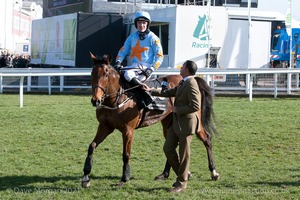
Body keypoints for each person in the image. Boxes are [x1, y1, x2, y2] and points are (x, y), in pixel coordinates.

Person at [145, 60, 201, 193]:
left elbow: (196, 106)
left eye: (182, 67)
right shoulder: (183, 81)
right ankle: (183, 175)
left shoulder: (192, 83)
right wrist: (151, 90)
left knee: (184, 155)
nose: (180, 68)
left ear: (187, 70)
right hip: (177, 124)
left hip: (186, 125)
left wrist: (177, 109)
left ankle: (181, 184)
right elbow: (171, 92)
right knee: (168, 148)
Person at [114, 11, 164, 110]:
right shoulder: (131, 37)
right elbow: (123, 51)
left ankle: (146, 97)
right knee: (118, 73)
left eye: (144, 23)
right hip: (134, 68)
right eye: (139, 23)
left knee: (127, 74)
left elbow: (160, 56)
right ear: (136, 24)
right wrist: (118, 62)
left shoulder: (153, 38)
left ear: (147, 24)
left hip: (146, 67)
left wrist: (152, 68)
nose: (142, 25)